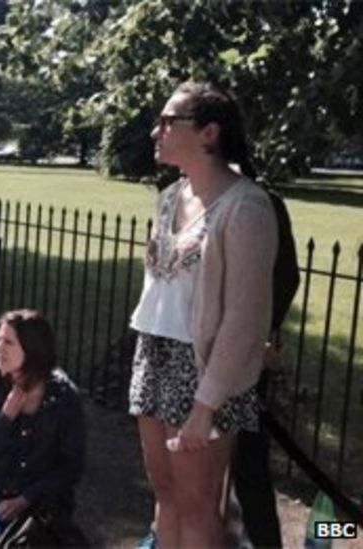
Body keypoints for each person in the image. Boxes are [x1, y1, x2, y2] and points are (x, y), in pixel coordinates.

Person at [128, 81, 278, 548]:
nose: (157, 130)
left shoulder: (246, 207)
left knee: (197, 504)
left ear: (209, 133)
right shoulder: (171, 195)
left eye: (170, 121)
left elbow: (244, 319)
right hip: (153, 353)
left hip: (202, 370)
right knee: (166, 494)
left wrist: (206, 405)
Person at [0, 310, 86, 549]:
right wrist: (5, 418)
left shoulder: (63, 395)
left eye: (8, 342)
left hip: (45, 498)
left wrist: (26, 498)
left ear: (32, 348)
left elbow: (72, 466)